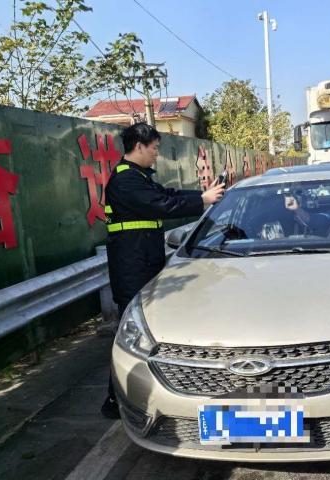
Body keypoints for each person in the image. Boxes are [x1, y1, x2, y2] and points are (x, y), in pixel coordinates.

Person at [101, 123, 224, 418]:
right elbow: (162, 204)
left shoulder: (138, 176)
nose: (157, 153)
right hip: (131, 265)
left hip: (142, 261)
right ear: (139, 146)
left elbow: (168, 193)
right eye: (154, 148)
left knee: (146, 328)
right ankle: (116, 399)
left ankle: (124, 396)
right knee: (132, 332)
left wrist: (203, 194)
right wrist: (202, 200)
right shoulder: (126, 180)